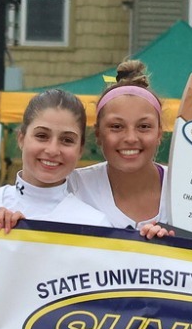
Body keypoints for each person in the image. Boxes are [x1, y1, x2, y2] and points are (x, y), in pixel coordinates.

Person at [0, 89, 108, 227]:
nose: (52, 150)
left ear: (80, 149)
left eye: (67, 140)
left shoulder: (95, 224)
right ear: (21, 138)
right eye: (42, 136)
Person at [68, 61, 167, 229]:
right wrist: (11, 216)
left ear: (159, 133)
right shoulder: (72, 187)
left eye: (144, 126)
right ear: (98, 133)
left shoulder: (191, 189)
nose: (130, 138)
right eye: (116, 126)